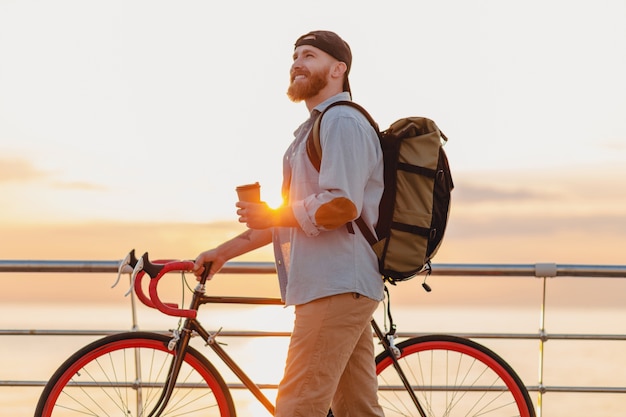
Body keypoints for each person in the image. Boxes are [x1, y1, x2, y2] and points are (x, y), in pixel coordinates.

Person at [193, 30, 385, 417]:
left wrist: (279, 213)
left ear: (338, 69)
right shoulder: (310, 132)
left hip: (335, 285)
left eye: (309, 56)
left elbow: (342, 205)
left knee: (298, 406)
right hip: (335, 286)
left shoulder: (342, 123)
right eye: (295, 56)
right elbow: (287, 219)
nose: (297, 63)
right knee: (356, 410)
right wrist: (224, 253)